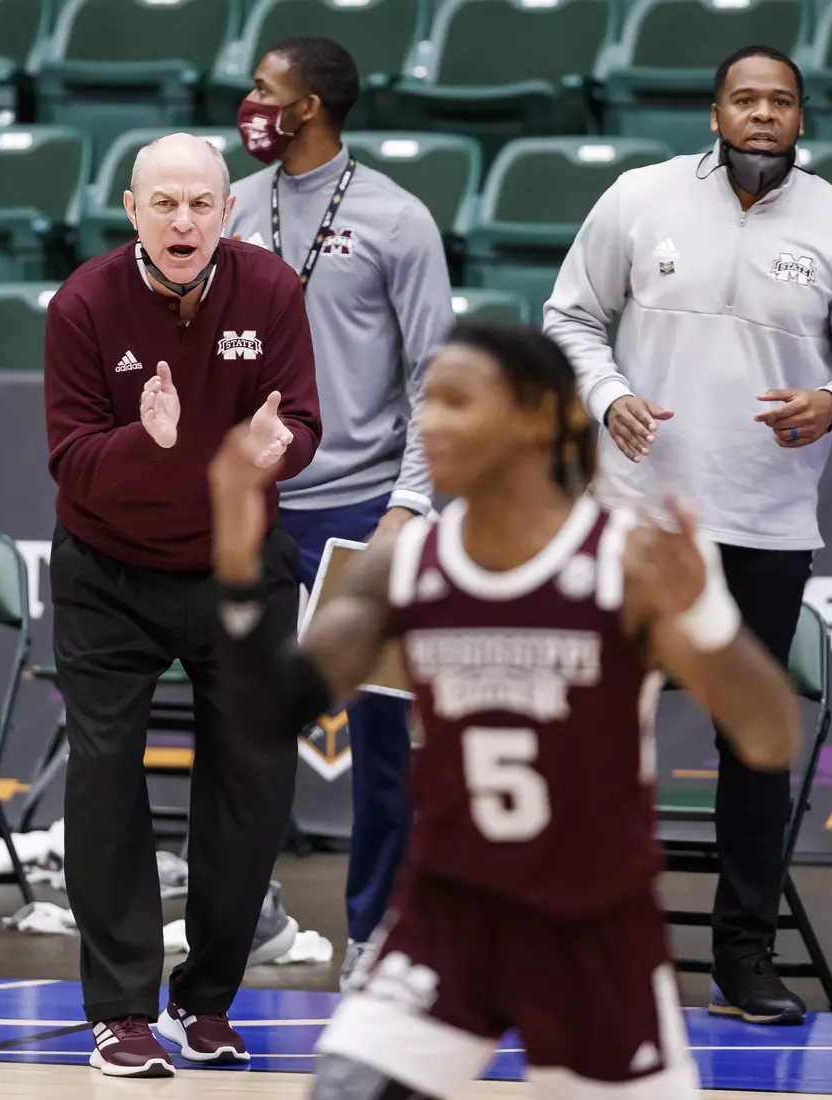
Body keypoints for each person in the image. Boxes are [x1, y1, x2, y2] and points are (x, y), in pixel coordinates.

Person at [205, 319, 803, 1099]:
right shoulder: (406, 563)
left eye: (457, 401)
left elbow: (769, 736)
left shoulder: (623, 561)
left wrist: (706, 620)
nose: (429, 421)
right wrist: (236, 566)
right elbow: (264, 715)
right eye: (427, 402)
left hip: (591, 928)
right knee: (348, 1088)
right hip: (448, 917)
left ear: (535, 414)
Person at [544, 44, 832, 1024]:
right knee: (598, 730)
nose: (761, 114)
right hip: (635, 516)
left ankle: (743, 959)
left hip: (763, 524)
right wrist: (609, 393)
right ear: (714, 113)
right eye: (744, 99)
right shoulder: (638, 198)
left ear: (800, 118)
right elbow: (569, 319)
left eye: (779, 102)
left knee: (753, 744)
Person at [42, 132, 322, 1076]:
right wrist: (147, 444)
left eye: (200, 203)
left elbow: (304, 424)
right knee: (106, 775)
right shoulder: (82, 302)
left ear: (226, 210)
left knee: (252, 786)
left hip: (238, 567)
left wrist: (275, 451)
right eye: (163, 204)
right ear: (131, 213)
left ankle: (206, 1004)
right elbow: (73, 461)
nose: (183, 220)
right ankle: (119, 1012)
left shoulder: (271, 290)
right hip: (107, 573)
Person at [226, 35, 454, 982]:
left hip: (362, 508)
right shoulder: (231, 206)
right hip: (253, 507)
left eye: (263, 90)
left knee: (380, 741)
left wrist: (408, 506)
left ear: (309, 105)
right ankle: (251, 913)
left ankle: (377, 933)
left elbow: (437, 376)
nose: (248, 103)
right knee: (237, 725)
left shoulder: (398, 221)